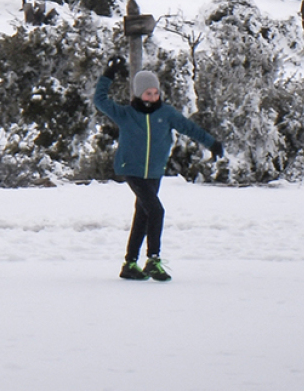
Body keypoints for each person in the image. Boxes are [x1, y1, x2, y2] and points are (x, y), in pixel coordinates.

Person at [93, 57, 223, 282]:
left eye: (155, 93)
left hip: (154, 172)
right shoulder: (126, 114)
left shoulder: (166, 114)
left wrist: (211, 142)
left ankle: (129, 264)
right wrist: (108, 75)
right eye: (147, 93)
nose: (152, 97)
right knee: (156, 210)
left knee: (143, 216)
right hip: (132, 170)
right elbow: (100, 100)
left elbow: (189, 128)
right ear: (137, 94)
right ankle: (153, 260)